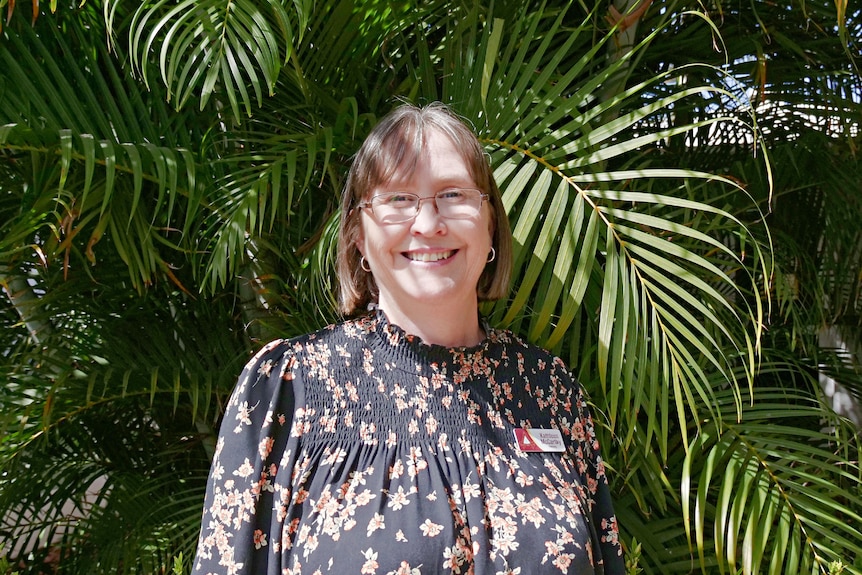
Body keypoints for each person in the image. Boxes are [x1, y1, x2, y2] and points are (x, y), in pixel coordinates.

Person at [192, 102, 624, 575]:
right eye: (398, 199)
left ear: (490, 221)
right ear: (358, 233)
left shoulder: (548, 391)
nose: (427, 223)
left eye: (453, 194)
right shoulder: (289, 388)